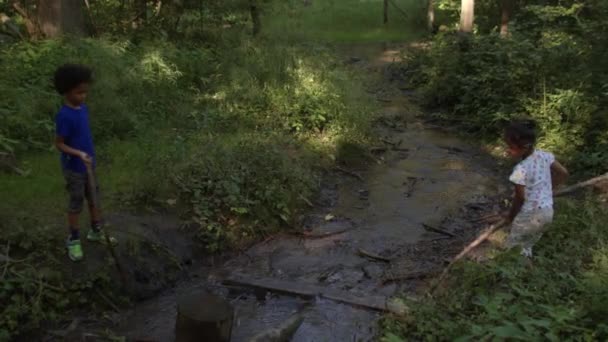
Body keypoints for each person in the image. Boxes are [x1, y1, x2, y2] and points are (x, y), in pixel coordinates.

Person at [54, 64, 115, 262]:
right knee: (76, 201)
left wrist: (87, 154)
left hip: (89, 165)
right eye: (79, 92)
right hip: (74, 168)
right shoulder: (64, 115)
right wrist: (78, 153)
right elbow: (60, 144)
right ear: (66, 90)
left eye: (85, 92)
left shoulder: (83, 109)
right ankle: (73, 239)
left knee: (94, 197)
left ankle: (96, 230)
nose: (83, 96)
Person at [502, 119, 569, 258]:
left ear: (525, 147)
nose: (507, 150)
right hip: (547, 213)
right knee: (526, 247)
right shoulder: (545, 156)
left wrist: (510, 217)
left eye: (511, 147)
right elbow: (563, 173)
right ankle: (528, 271)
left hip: (529, 216)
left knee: (512, 250)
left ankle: (513, 275)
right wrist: (549, 190)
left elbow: (520, 198)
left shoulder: (520, 170)